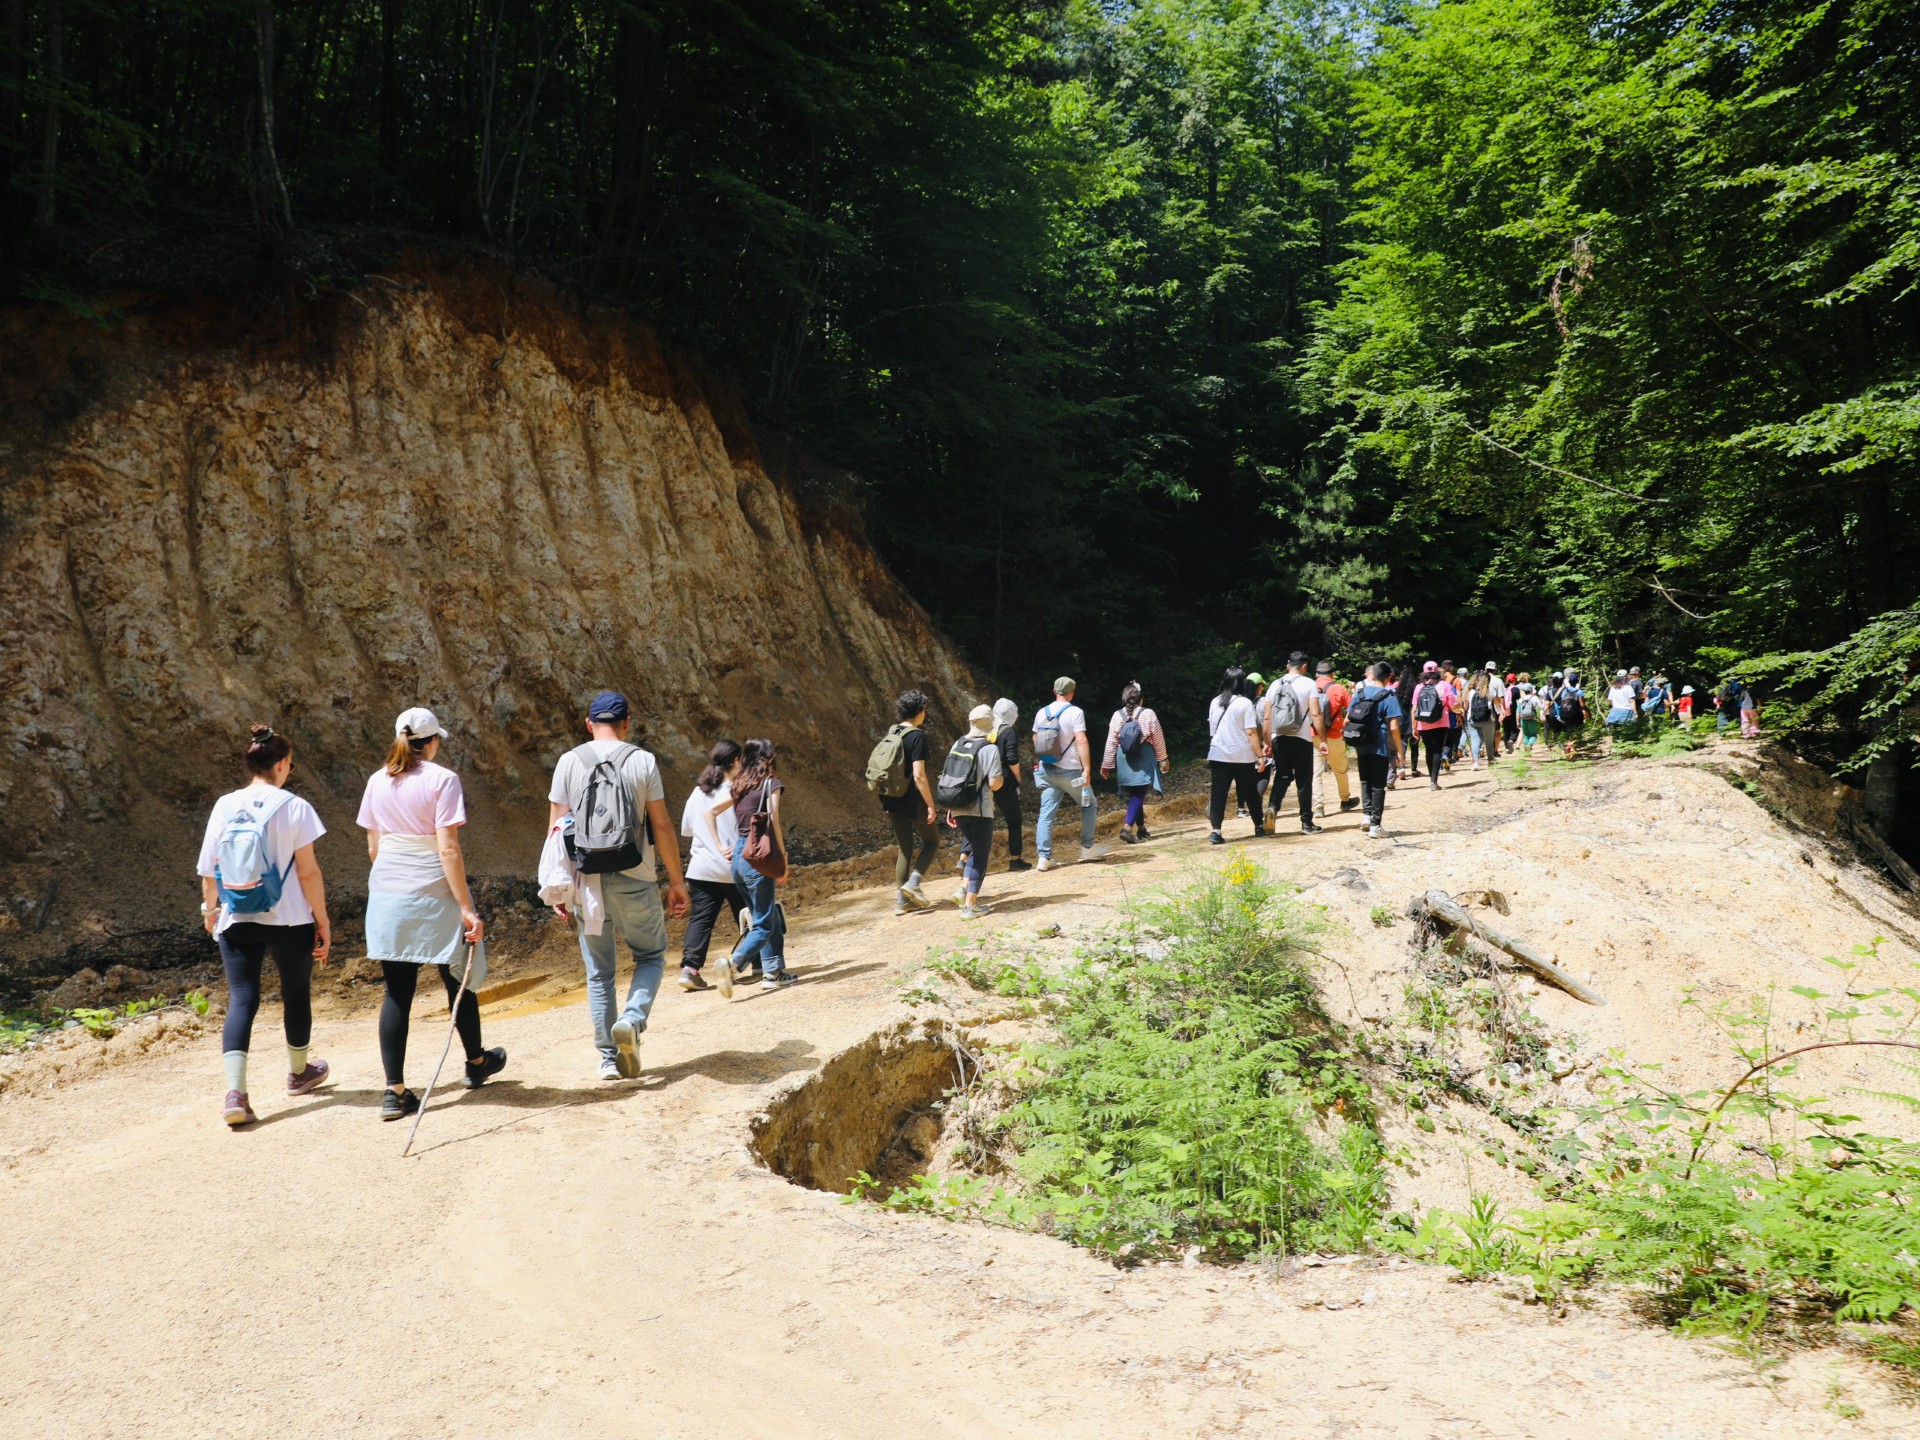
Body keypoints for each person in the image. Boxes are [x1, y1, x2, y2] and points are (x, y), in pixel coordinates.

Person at [358, 707, 504, 1121]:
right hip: (434, 892)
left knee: (397, 992)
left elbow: (374, 848)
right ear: (433, 741)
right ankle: (476, 1065)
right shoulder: (443, 780)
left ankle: (394, 1092)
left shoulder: (376, 780)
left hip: (387, 890)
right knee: (457, 978)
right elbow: (447, 849)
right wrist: (465, 907)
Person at [547, 690, 690, 1080]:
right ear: (627, 722)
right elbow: (660, 825)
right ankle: (632, 1018)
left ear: (588, 724)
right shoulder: (642, 761)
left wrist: (557, 886)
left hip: (585, 883)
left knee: (599, 972)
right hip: (635, 877)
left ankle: (608, 1058)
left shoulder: (567, 762)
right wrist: (676, 881)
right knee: (650, 956)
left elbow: (556, 830)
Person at [196, 725, 332, 1128]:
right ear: (279, 764)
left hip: (236, 917)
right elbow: (308, 873)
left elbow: (209, 869)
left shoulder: (224, 805)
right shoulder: (295, 807)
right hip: (288, 919)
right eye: (289, 764)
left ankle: (235, 1093)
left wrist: (210, 911)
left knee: (243, 1000)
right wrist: (321, 921)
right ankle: (298, 1072)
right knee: (295, 993)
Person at [719, 738, 795, 991]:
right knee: (763, 923)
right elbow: (773, 820)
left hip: (740, 857)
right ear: (768, 757)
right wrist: (783, 859)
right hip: (758, 856)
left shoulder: (738, 786)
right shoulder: (770, 784)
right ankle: (733, 963)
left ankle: (773, 972)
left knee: (766, 913)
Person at [679, 739, 747, 992]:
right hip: (732, 867)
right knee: (750, 917)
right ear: (736, 762)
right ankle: (758, 964)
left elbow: (687, 829)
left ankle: (690, 970)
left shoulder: (699, 792)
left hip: (701, 868)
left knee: (701, 920)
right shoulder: (737, 791)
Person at [1032, 676, 1108, 871]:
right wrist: (1087, 769)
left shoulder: (1042, 712)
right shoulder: (1075, 712)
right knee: (1089, 804)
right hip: (1071, 772)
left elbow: (1035, 738)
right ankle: (1087, 848)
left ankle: (1043, 857)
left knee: (1046, 814)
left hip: (1047, 771)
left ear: (1054, 691)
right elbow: (1081, 740)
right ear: (1072, 692)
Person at [878, 689, 942, 913]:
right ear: (920, 711)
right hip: (913, 798)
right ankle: (913, 884)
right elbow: (919, 776)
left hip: (891, 796)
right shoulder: (917, 736)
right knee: (932, 841)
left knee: (905, 849)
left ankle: (901, 903)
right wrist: (931, 805)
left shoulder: (892, 731)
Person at [944, 706, 1006, 918]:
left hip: (957, 808)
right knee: (980, 855)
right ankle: (970, 907)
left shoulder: (957, 743)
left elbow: (949, 777)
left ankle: (963, 890)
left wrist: (952, 808)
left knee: (972, 851)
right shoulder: (989, 749)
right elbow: (995, 783)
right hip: (980, 810)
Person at [1101, 681, 1171, 843]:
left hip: (1123, 757)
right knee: (1139, 793)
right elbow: (1158, 739)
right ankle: (1127, 828)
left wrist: (1106, 765)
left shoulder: (1117, 715)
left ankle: (1141, 829)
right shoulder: (1149, 713)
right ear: (1141, 699)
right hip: (1143, 755)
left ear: (1124, 699)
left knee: (1135, 793)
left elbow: (1111, 742)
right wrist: (1163, 759)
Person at [1265, 653, 1326, 835]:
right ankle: (1306, 823)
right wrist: (1323, 740)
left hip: (1278, 737)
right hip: (1301, 738)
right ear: (1305, 667)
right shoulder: (1309, 684)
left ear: (1287, 665)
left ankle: (1273, 808)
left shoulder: (1274, 685)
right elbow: (1316, 714)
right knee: (1304, 781)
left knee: (1282, 777)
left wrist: (1267, 742)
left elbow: (1267, 717)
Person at [1207, 667, 1266, 844]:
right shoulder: (1245, 703)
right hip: (1241, 755)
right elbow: (1251, 732)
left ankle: (1216, 831)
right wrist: (1260, 755)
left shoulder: (1215, 702)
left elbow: (1212, 732)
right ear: (1240, 682)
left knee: (1218, 794)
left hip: (1218, 754)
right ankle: (1258, 826)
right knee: (1250, 792)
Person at [1347, 662, 1404, 839]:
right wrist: (1400, 751)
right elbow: (1394, 727)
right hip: (1379, 745)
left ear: (1372, 675)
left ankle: (1366, 816)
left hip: (1361, 742)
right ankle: (1375, 826)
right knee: (1378, 785)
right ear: (1388, 678)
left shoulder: (1360, 693)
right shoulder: (1389, 696)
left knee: (1365, 780)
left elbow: (1348, 717)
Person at [1312, 660, 1358, 818]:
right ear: (1332, 674)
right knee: (1340, 770)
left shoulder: (1309, 687)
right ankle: (1345, 800)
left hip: (1314, 736)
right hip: (1334, 735)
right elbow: (1353, 708)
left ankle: (1318, 807)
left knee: (1315, 773)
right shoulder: (1338, 688)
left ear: (1317, 673)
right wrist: (1345, 722)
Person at [990, 698, 1029, 871]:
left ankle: (964, 858)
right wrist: (1018, 779)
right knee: (1014, 821)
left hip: (986, 780)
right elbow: (1012, 759)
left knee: (980, 820)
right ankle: (1015, 859)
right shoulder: (1008, 732)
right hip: (1004, 781)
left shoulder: (987, 730)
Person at [1410, 661, 1454, 788]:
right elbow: (1452, 704)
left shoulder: (1419, 687)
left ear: (1424, 672)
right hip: (1441, 722)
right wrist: (1459, 713)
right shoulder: (1444, 685)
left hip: (1423, 723)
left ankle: (1431, 779)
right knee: (1437, 749)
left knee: (1429, 750)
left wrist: (1414, 727)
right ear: (1437, 672)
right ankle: (1434, 781)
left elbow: (1414, 708)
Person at [1464, 670, 1499, 769]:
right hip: (1487, 719)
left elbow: (1465, 706)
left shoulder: (1470, 691)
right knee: (1489, 741)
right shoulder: (1490, 690)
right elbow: (1497, 702)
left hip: (1472, 719)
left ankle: (1475, 762)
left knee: (1475, 740)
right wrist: (1501, 711)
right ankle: (1490, 760)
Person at [1484, 663, 1508, 759]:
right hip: (1494, 709)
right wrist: (1503, 711)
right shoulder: (1498, 681)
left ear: (1485, 669)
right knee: (1496, 731)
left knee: (1484, 730)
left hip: (1481, 709)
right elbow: (1501, 697)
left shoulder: (1480, 680)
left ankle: (1485, 750)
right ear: (1495, 670)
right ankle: (1495, 750)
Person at [1515, 682, 1546, 753]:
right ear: (1531, 690)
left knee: (1526, 735)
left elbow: (1518, 711)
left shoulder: (1520, 699)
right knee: (1533, 735)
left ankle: (1527, 751)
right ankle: (1529, 745)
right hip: (1533, 719)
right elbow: (1542, 707)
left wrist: (1517, 721)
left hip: (1523, 720)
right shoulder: (1535, 698)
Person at [1500, 671, 1520, 751]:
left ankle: (1507, 748)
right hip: (1513, 710)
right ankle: (1511, 740)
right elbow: (1518, 701)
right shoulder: (1516, 689)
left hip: (1504, 710)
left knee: (1506, 729)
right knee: (1515, 728)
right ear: (1514, 680)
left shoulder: (1503, 690)